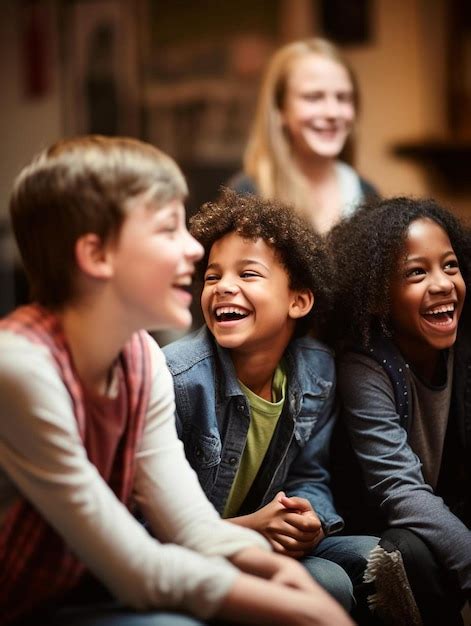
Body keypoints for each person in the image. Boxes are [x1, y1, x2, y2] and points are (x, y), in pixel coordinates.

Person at [0, 136, 354, 626]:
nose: (193, 249)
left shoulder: (140, 356)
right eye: (168, 228)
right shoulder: (21, 368)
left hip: (90, 588)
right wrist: (306, 612)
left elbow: (191, 525)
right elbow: (141, 569)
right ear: (96, 255)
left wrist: (287, 580)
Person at [163, 189, 379, 623]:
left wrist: (309, 517)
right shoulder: (177, 379)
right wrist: (251, 527)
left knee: (375, 555)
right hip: (192, 549)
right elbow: (149, 532)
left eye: (248, 274)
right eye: (212, 276)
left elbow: (308, 474)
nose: (224, 286)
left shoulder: (316, 371)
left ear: (298, 300)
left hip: (261, 536)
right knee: (331, 583)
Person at [327, 196, 471, 626]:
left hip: (446, 506)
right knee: (408, 549)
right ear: (377, 298)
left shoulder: (463, 346)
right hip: (387, 527)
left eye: (450, 265)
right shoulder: (365, 364)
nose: (443, 283)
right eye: (416, 273)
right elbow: (398, 491)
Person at [228, 37, 378, 234]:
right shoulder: (248, 194)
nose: (332, 113)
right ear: (280, 109)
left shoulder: (366, 194)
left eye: (343, 98)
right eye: (313, 97)